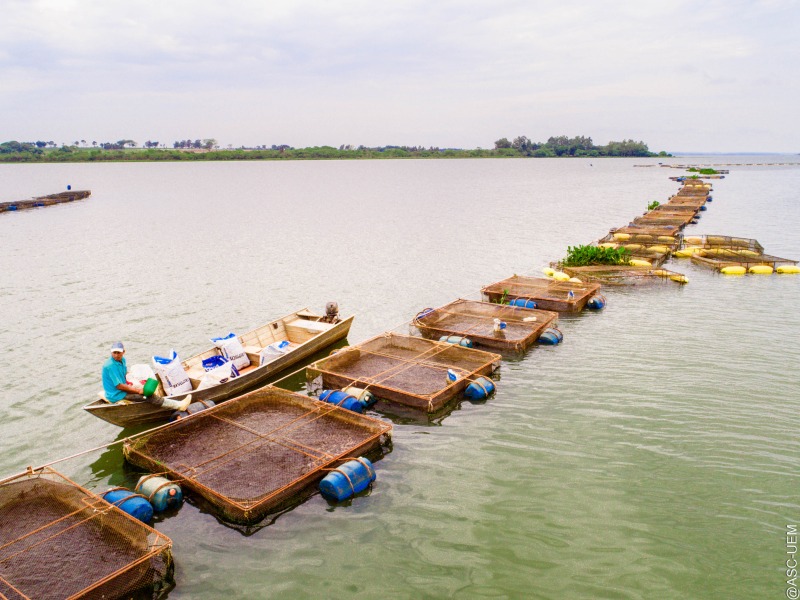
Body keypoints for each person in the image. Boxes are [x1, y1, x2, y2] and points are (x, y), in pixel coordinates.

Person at [102, 342, 191, 411]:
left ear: (123, 352)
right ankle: (179, 405)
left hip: (123, 388)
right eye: (114, 353)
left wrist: (135, 382)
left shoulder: (122, 360)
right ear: (111, 352)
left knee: (145, 388)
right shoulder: (110, 366)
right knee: (148, 396)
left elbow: (125, 374)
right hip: (117, 394)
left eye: (119, 353)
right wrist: (138, 390)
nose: (116, 355)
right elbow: (119, 386)